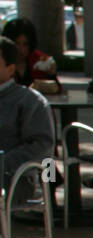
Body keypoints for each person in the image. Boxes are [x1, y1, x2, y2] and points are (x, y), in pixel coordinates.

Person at [0, 36, 54, 204]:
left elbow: (43, 146)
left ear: (10, 69)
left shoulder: (29, 101)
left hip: (14, 180)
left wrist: (4, 163)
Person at [1, 18, 56, 88]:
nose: (21, 49)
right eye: (16, 43)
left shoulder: (41, 60)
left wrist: (51, 74)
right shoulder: (2, 61)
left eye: (25, 44)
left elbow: (56, 87)